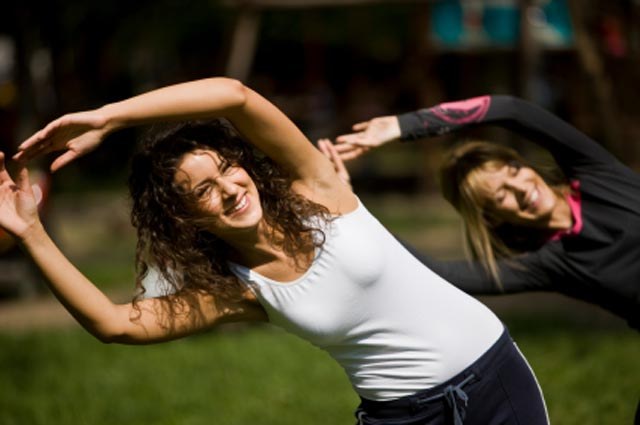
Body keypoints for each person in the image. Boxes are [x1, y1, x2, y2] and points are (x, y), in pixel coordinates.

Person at [3, 78, 549, 425]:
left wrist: (110, 116)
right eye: (202, 191)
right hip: (405, 418)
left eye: (226, 169)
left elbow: (236, 97)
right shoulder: (240, 289)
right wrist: (31, 232)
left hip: (497, 376)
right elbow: (115, 323)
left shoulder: (316, 188)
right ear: (185, 217)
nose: (228, 189)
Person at [333, 94, 640, 332]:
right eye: (501, 195)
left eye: (514, 170)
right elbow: (438, 273)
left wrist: (404, 126)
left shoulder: (598, 175)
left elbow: (511, 110)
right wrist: (349, 208)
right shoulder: (551, 264)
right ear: (493, 218)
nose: (520, 187)